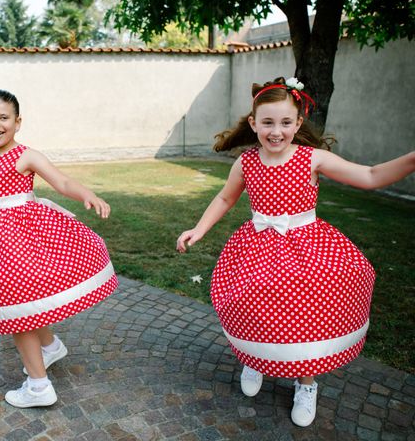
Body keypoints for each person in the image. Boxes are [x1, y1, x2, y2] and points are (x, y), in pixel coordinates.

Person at [176, 77, 414, 427]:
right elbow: (226, 198)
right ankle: (256, 359)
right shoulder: (246, 163)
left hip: (307, 247)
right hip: (257, 247)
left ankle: (306, 382)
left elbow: (371, 175)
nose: (276, 131)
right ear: (254, 123)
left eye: (286, 123)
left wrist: (411, 158)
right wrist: (199, 228)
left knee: (307, 312)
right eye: (268, 122)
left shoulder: (312, 158)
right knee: (253, 303)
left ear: (298, 123)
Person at [0, 89, 118, 408]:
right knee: (22, 303)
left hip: (24, 243)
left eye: (3, 118)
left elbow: (61, 182)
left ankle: (38, 387)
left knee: (15, 309)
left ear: (17, 122)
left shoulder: (26, 155)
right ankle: (48, 347)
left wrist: (87, 194)